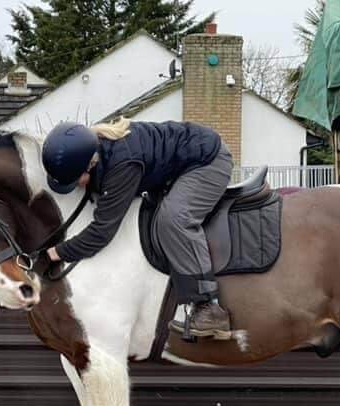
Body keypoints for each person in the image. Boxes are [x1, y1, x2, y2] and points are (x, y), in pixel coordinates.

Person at [42, 118, 233, 339]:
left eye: (76, 179)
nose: (76, 185)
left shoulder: (123, 164)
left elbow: (102, 232)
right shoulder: (94, 149)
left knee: (173, 219)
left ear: (90, 164)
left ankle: (208, 307)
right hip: (180, 161)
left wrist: (56, 252)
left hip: (208, 161)